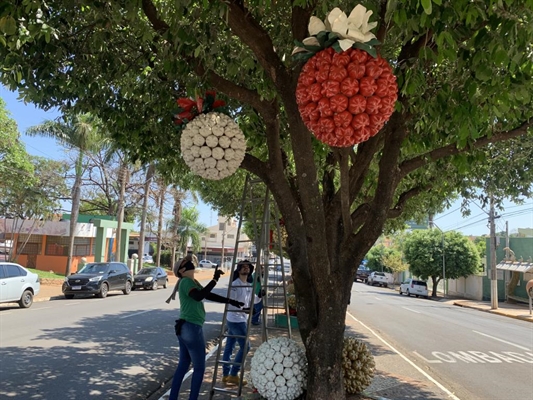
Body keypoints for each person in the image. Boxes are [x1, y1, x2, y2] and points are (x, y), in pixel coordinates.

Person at [166, 255, 244, 400]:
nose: (190, 263)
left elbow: (207, 294)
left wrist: (230, 301)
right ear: (182, 271)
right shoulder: (186, 282)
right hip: (191, 328)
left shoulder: (191, 281)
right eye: (186, 263)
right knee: (199, 368)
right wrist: (214, 280)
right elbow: (198, 296)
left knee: (183, 365)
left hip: (185, 328)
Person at [222, 260, 262, 385]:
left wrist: (260, 295)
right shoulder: (234, 285)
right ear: (238, 270)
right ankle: (233, 374)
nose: (246, 269)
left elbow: (253, 300)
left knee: (229, 347)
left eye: (247, 267)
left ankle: (225, 375)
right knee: (246, 346)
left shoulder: (249, 285)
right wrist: (244, 309)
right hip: (235, 320)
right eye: (243, 267)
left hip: (241, 319)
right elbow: (231, 304)